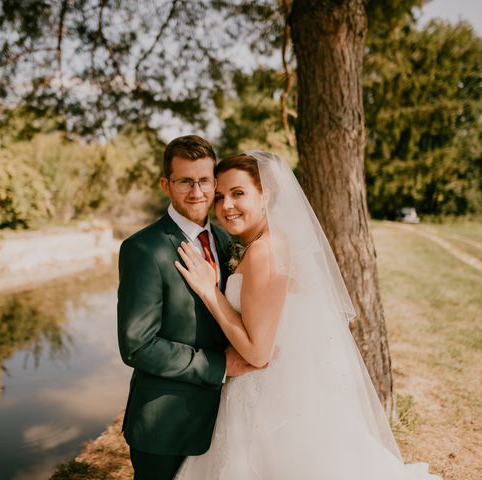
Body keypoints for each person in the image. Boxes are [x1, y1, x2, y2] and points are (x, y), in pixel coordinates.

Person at [173, 151, 442, 479]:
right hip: (282, 391)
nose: (226, 205)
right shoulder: (277, 243)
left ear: (265, 195)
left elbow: (258, 352)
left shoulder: (264, 252)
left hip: (265, 400)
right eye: (220, 197)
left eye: (238, 193)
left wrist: (209, 291)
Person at [117, 135, 259, 480]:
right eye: (184, 181)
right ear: (166, 184)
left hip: (226, 418)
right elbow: (137, 345)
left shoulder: (228, 240)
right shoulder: (144, 249)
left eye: (205, 180)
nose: (197, 191)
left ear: (215, 182)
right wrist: (219, 365)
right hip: (166, 424)